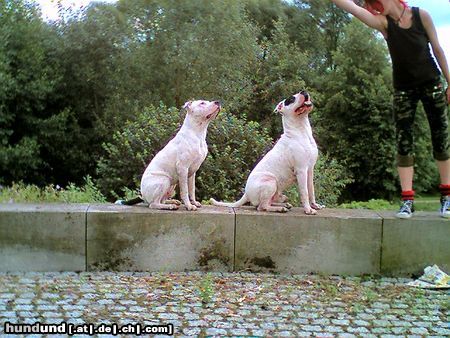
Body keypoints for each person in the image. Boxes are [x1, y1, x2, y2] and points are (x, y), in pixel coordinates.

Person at [330, 0, 450, 218]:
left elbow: (438, 49)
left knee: (441, 137)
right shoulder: (383, 23)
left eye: (376, 1)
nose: (374, 5)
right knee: (403, 140)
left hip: (432, 82)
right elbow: (353, 9)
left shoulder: (421, 16)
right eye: (370, 3)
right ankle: (407, 200)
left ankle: (447, 197)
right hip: (403, 89)